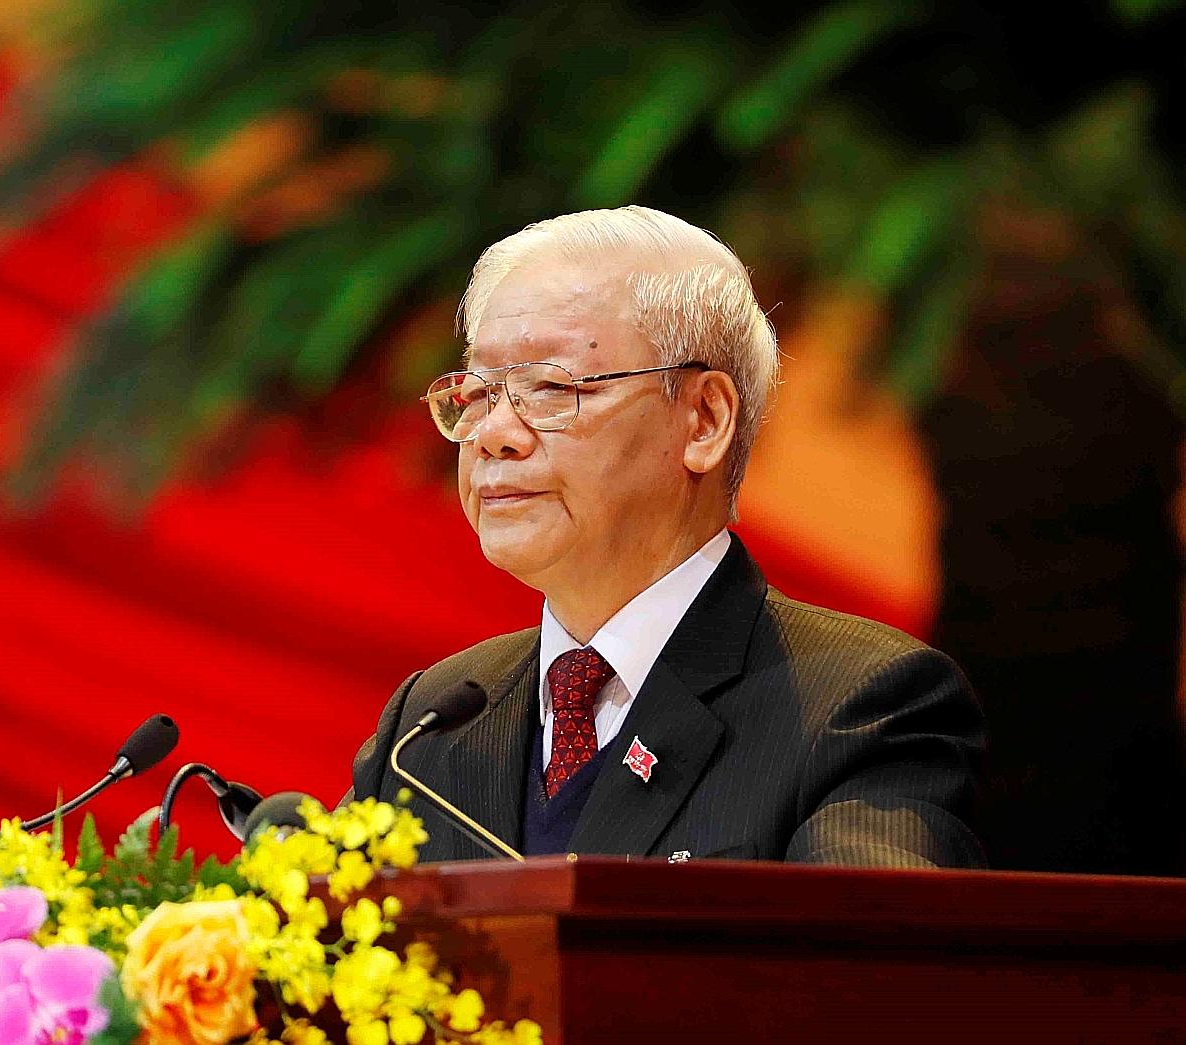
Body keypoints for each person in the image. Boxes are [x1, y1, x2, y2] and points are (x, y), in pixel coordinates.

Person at [350, 206, 985, 867]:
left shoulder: (856, 703)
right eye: (478, 392)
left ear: (704, 420)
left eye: (549, 387)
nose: (492, 434)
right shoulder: (431, 722)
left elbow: (866, 965)